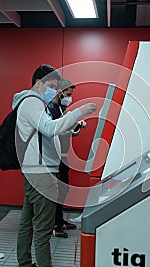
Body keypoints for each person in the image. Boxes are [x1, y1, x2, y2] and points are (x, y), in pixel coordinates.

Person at [14, 64, 97, 267]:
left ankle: (24, 263)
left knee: (28, 223)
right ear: (37, 83)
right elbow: (49, 129)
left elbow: (47, 133)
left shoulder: (35, 103)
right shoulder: (33, 102)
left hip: (37, 170)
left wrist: (69, 128)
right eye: (51, 85)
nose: (55, 90)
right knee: (43, 229)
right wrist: (78, 112)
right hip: (42, 172)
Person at [46, 79, 85, 238]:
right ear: (60, 92)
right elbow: (53, 131)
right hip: (53, 158)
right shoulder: (50, 109)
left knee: (63, 190)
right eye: (67, 94)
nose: (69, 98)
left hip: (62, 156)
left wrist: (74, 130)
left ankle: (60, 220)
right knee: (56, 192)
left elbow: (62, 131)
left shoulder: (61, 109)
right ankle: (54, 224)